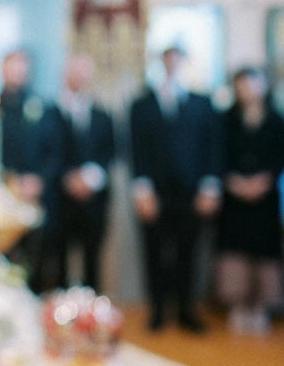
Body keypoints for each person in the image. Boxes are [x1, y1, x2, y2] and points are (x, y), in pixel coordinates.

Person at [129, 45, 222, 332]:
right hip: (154, 193)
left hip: (191, 193)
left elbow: (213, 147)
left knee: (188, 253)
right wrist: (143, 192)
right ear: (161, 63)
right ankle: (157, 310)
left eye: (177, 59)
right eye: (168, 59)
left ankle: (186, 310)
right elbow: (136, 150)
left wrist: (210, 187)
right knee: (154, 253)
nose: (173, 64)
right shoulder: (141, 105)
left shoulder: (202, 103)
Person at [0, 50, 63, 289]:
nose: (17, 71)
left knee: (39, 262)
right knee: (2, 266)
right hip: (0, 199)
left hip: (35, 199)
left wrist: (39, 180)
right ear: (2, 69)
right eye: (12, 65)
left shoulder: (43, 107)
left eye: (21, 65)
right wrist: (7, 181)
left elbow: (56, 151)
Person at [216, 66, 284, 334]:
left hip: (265, 198)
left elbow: (279, 156)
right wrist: (233, 181)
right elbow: (218, 153)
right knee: (235, 249)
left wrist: (264, 181)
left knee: (264, 250)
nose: (246, 90)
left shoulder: (276, 120)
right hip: (234, 198)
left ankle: (262, 306)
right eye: (240, 85)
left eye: (251, 83)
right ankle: (238, 304)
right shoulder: (226, 120)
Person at [41, 54, 117, 291]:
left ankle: (92, 311)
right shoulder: (49, 113)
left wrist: (90, 179)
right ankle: (62, 313)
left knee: (92, 258)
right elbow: (45, 151)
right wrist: (67, 178)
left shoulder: (103, 115)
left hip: (93, 200)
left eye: (83, 73)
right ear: (65, 75)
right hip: (60, 199)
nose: (79, 78)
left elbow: (110, 151)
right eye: (74, 72)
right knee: (59, 259)